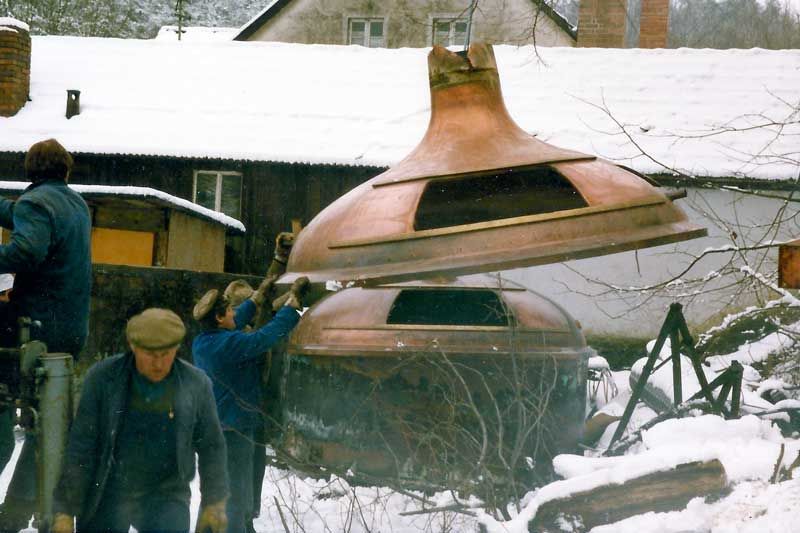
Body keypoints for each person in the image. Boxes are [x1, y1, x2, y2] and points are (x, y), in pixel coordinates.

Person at [51, 308, 228, 533]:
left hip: (166, 490)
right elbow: (82, 446)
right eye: (150, 354)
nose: (159, 363)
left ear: (177, 348)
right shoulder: (104, 379)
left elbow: (212, 445)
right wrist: (65, 511)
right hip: (108, 486)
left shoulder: (195, 384)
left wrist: (215, 502)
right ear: (133, 346)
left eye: (166, 353)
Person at [0, 138, 92, 531]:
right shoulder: (76, 204)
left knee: (11, 418)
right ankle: (18, 512)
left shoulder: (35, 205)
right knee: (47, 429)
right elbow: (26, 217)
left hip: (33, 332)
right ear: (65, 170)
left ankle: (14, 516)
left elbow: (26, 250)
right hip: (69, 332)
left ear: (29, 171)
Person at [192, 275, 305, 533]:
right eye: (230, 309)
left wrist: (256, 298)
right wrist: (292, 306)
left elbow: (237, 320)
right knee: (236, 494)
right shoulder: (229, 344)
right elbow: (264, 338)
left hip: (214, 429)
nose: (235, 312)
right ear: (220, 319)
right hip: (233, 430)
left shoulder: (204, 341)